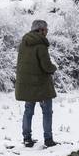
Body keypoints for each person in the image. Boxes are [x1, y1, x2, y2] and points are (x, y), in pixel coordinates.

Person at [15, 18, 57, 147]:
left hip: (27, 85)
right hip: (41, 85)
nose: (47, 31)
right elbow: (46, 66)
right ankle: (48, 139)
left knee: (28, 111)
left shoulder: (23, 43)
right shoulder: (41, 45)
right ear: (40, 30)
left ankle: (27, 139)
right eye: (46, 29)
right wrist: (53, 68)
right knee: (47, 112)